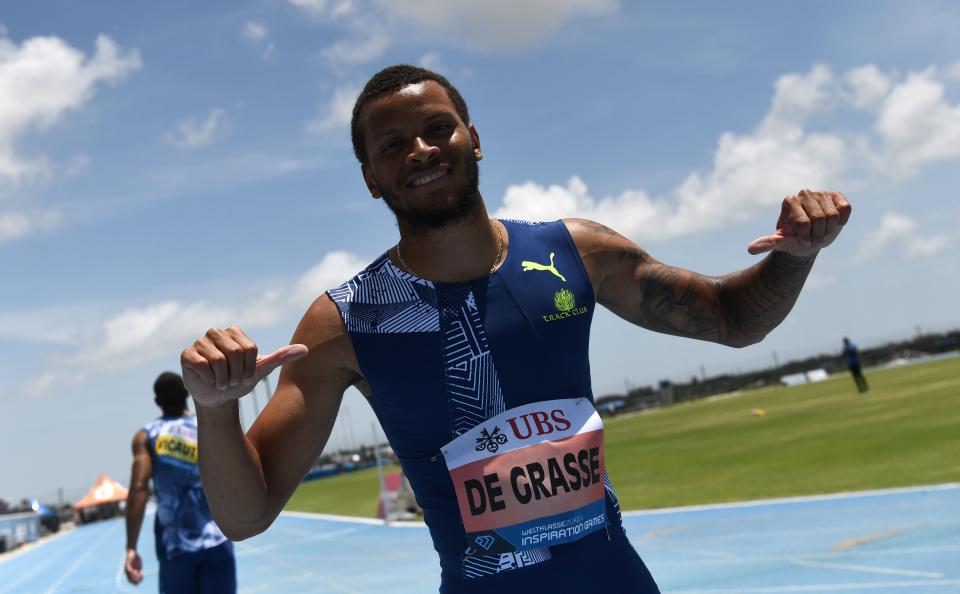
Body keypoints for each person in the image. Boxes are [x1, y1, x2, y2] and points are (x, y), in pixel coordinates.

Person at [180, 65, 852, 593]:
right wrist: (215, 410)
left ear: (473, 137)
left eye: (436, 127)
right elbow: (247, 513)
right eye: (392, 145)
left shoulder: (576, 254)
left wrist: (798, 255)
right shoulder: (347, 321)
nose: (419, 149)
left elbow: (732, 319)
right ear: (370, 179)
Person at [125, 372, 236, 594]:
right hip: (218, 537)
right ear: (187, 392)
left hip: (175, 546)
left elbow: (139, 489)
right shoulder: (207, 426)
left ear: (157, 402)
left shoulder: (147, 436)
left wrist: (131, 547)